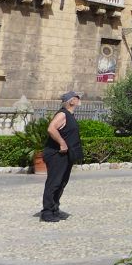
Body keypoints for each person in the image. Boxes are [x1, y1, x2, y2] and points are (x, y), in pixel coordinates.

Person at [41, 91, 83, 223]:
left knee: (62, 182)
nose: (79, 99)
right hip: (56, 155)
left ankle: (54, 209)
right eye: (77, 97)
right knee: (54, 183)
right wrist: (62, 143)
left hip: (66, 156)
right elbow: (51, 128)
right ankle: (47, 212)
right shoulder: (63, 114)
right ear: (71, 101)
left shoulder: (70, 115)